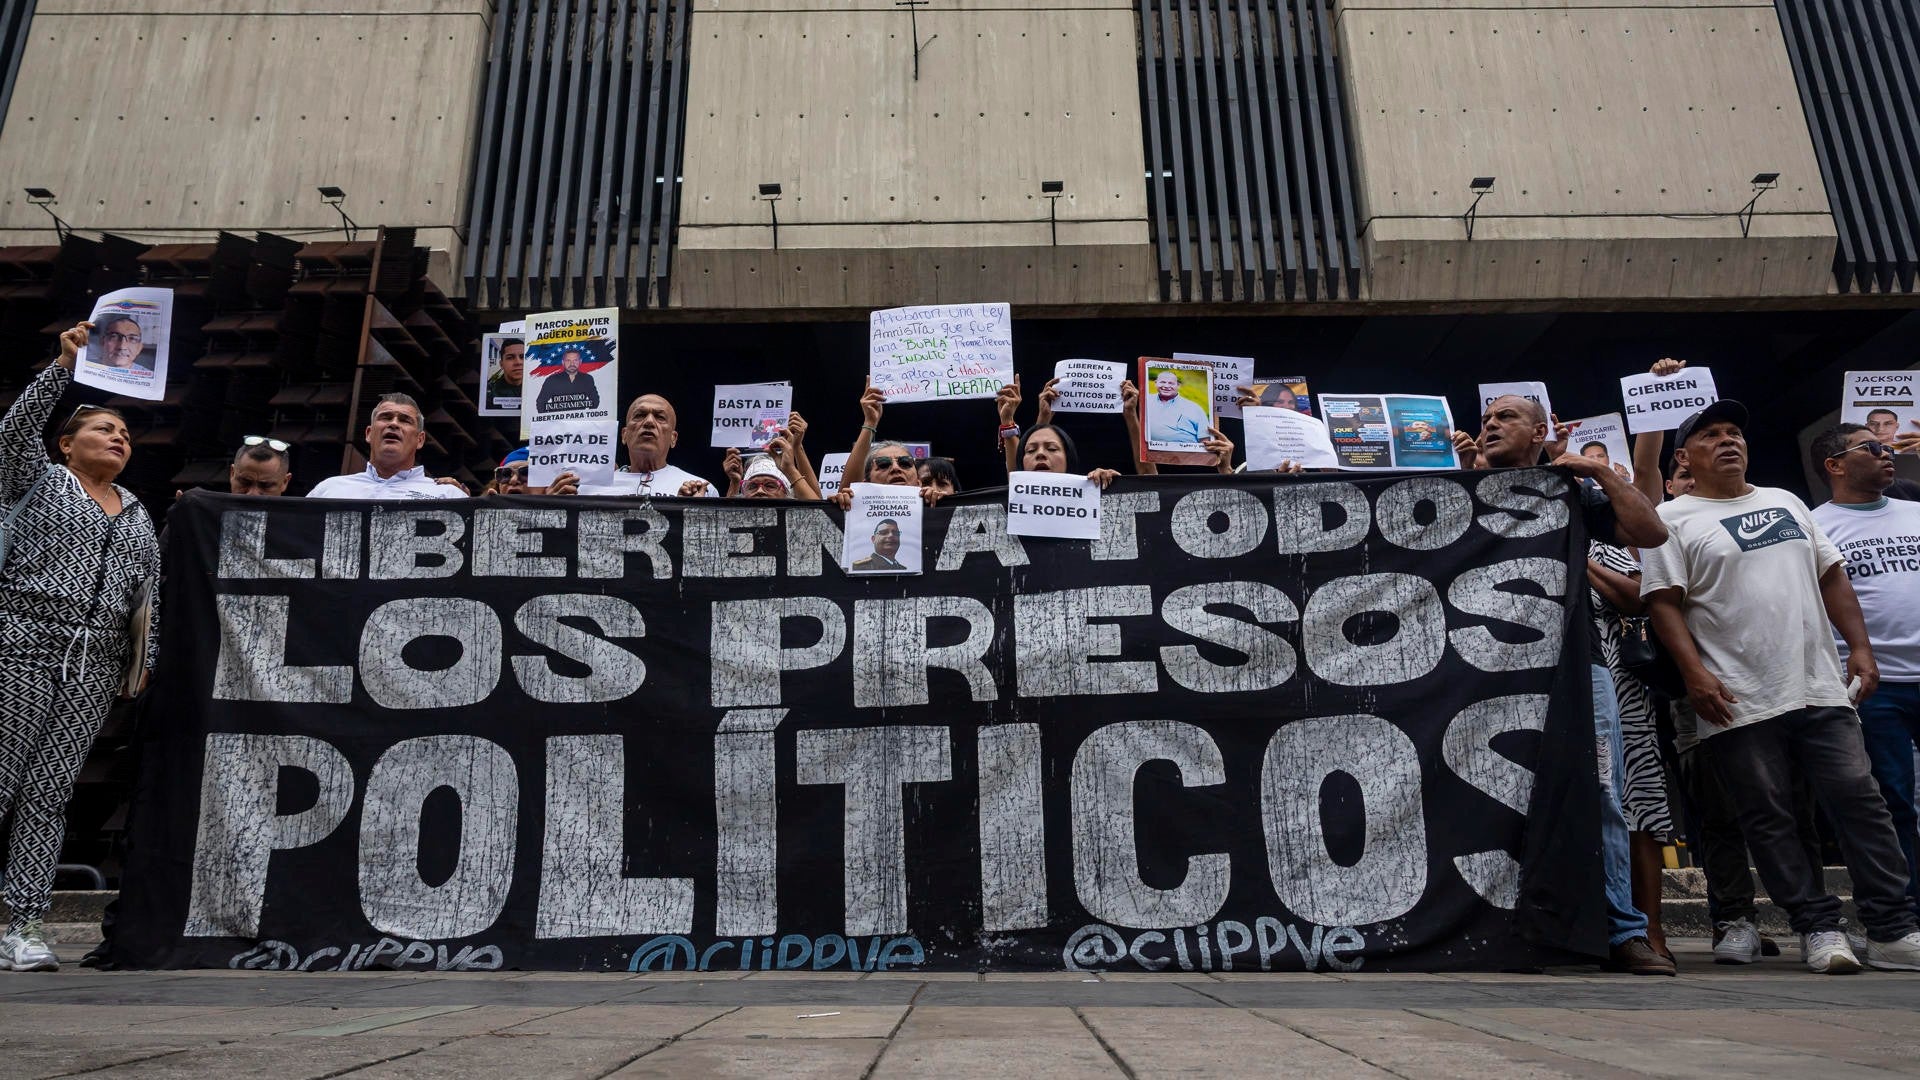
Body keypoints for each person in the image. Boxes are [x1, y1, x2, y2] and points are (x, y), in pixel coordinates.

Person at [1641, 400, 1920, 973]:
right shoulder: (1671, 518)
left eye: (1735, 432)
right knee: (1768, 816)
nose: (1728, 441)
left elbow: (1831, 573)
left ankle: (1892, 930)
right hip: (1738, 697)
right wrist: (1695, 674)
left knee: (1862, 804)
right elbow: (1662, 604)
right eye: (1712, 434)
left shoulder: (1786, 501)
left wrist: (1860, 647)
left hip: (1819, 685)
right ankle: (1817, 928)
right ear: (1686, 455)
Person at [1473, 392, 1675, 975]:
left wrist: (1595, 472)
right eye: (1486, 418)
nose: (1490, 425)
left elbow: (1650, 533)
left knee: (1600, 791)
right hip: (1475, 667)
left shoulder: (1572, 490)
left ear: (1541, 432)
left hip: (1572, 664)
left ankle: (1622, 929)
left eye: (1505, 417)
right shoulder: (1456, 489)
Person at [0, 323, 161, 972]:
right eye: (103, 429)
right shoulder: (37, 481)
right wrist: (62, 368)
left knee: (49, 793)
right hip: (22, 645)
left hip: (94, 668)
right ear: (67, 445)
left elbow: (152, 596)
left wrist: (142, 662)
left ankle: (25, 926)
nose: (118, 438)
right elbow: (12, 434)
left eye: (124, 434)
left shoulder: (139, 512)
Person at [1810, 423, 1920, 923]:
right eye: (1872, 447)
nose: (1887, 452)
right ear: (1835, 464)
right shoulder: (1814, 527)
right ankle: (1910, 911)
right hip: (1874, 687)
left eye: (1888, 447)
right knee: (1894, 801)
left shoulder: (1916, 512)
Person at [552, 393, 715, 498]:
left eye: (660, 417)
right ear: (624, 435)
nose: (649, 422)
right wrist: (550, 507)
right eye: (640, 415)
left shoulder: (699, 490)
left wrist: (691, 511)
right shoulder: (584, 490)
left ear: (673, 438)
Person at [306, 394, 466, 499]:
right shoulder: (328, 490)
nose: (394, 423)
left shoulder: (447, 495)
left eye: (405, 420)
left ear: (420, 440)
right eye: (386, 417)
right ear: (369, 433)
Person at [1145, 369, 1211, 445]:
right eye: (1162, 382)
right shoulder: (1146, 400)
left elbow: (1205, 439)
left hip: (1186, 454)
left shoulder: (1194, 408)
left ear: (1178, 385)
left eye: (1171, 383)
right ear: (1156, 383)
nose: (1166, 386)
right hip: (1150, 452)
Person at [534, 348, 600, 414]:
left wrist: (587, 417)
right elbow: (541, 403)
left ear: (580, 361)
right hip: (558, 422)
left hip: (580, 422)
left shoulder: (587, 379)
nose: (572, 364)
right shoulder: (552, 380)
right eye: (568, 360)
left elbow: (595, 400)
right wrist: (551, 420)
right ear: (563, 362)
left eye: (575, 360)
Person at [487, 338, 525, 407]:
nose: (518, 362)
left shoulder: (536, 389)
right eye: (510, 357)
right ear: (501, 364)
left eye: (522, 357)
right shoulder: (490, 394)